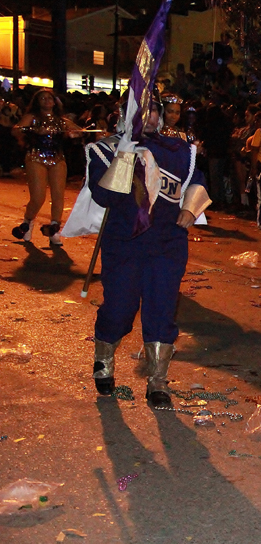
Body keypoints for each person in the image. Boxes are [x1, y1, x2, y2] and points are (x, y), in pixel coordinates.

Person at [87, 91, 210, 408]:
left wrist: (190, 209)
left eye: (155, 110)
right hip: (123, 244)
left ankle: (158, 380)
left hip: (167, 243)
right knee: (119, 308)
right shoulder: (104, 149)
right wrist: (126, 152)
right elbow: (105, 197)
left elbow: (196, 179)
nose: (152, 115)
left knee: (161, 308)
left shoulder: (179, 148)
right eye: (144, 110)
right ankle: (104, 359)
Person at [11, 89, 83, 245]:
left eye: (49, 98)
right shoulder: (32, 117)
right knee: (38, 197)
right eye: (42, 98)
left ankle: (54, 229)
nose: (46, 100)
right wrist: (35, 130)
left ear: (55, 101)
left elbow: (80, 131)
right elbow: (16, 130)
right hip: (36, 157)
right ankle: (27, 222)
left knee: (58, 196)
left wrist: (74, 133)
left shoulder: (61, 119)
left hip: (57, 158)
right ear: (37, 102)